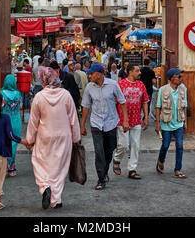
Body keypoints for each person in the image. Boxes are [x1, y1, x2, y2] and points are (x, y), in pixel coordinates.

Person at [26, 67, 81, 209]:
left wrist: (30, 139)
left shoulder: (39, 97)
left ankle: (45, 187)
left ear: (43, 79)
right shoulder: (66, 95)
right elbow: (73, 118)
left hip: (45, 136)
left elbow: (33, 121)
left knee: (40, 163)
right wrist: (76, 138)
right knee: (60, 168)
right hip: (64, 136)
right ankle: (56, 199)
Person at [81, 63, 129, 191]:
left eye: (92, 73)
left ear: (100, 74)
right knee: (99, 151)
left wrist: (125, 121)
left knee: (109, 150)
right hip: (96, 123)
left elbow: (122, 102)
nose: (89, 75)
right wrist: (82, 125)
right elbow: (85, 106)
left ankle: (105, 171)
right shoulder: (89, 88)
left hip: (111, 123)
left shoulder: (113, 85)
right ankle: (101, 179)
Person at [113, 65, 149, 180]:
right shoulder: (121, 85)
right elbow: (114, 102)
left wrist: (146, 117)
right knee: (123, 144)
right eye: (137, 71)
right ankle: (117, 159)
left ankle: (132, 169)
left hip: (137, 119)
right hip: (122, 120)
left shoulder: (141, 85)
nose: (139, 73)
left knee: (135, 145)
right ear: (129, 72)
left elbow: (145, 101)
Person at [155, 68, 187, 179]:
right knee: (165, 145)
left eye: (181, 76)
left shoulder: (183, 89)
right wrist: (157, 123)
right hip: (166, 123)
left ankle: (177, 169)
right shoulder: (163, 90)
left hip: (178, 123)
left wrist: (185, 121)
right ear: (172, 78)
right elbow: (158, 107)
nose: (181, 79)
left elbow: (184, 106)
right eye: (179, 76)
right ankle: (161, 160)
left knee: (179, 145)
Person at [0, 74, 23, 177]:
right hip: (16, 120)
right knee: (14, 144)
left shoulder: (1, 94)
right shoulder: (18, 94)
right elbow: (20, 106)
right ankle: (11, 168)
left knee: (4, 143)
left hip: (4, 120)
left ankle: (3, 167)